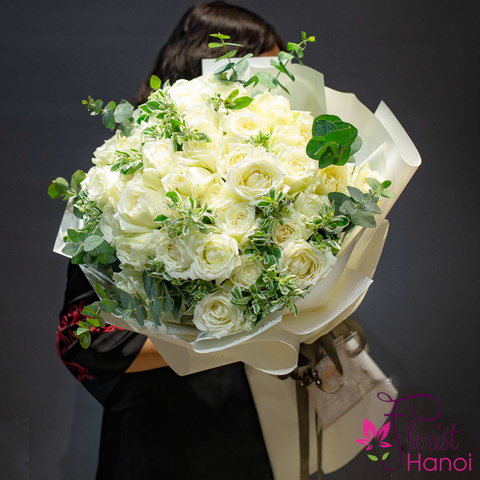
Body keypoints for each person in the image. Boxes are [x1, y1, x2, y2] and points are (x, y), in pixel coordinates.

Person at [57, 2, 285, 479]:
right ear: (213, 73)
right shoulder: (127, 180)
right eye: (264, 75)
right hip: (165, 441)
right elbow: (86, 342)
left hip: (258, 432)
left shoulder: (275, 177)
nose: (277, 92)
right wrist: (230, 330)